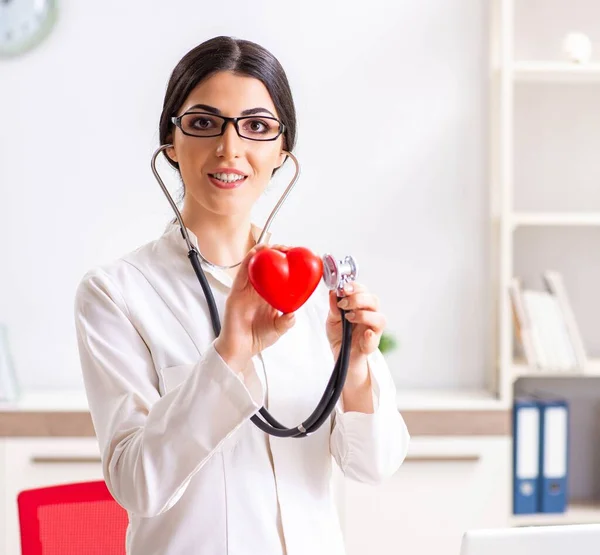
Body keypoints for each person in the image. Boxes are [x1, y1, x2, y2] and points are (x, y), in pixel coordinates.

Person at [74, 35, 409, 555]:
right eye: (204, 123)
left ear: (281, 152)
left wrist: (355, 368)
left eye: (256, 127)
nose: (230, 149)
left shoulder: (320, 285)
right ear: (170, 142)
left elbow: (374, 464)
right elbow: (138, 485)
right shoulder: (116, 293)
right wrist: (229, 356)